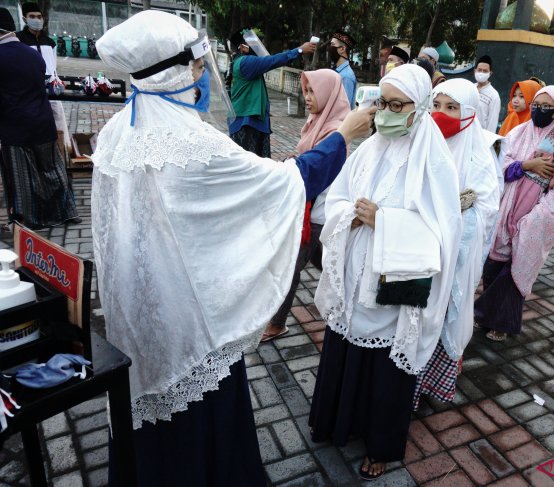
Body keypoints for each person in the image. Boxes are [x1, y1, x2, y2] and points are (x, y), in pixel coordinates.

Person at [92, 11, 374, 487]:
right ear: (175, 71)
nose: (203, 75)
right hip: (188, 312)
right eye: (198, 66)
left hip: (137, 300)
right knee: (198, 409)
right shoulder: (193, 140)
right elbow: (286, 186)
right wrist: (343, 137)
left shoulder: (118, 129)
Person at [309, 64, 461, 481]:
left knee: (385, 370)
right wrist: (349, 216)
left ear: (420, 107)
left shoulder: (434, 160)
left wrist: (385, 221)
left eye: (397, 105)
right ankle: (335, 424)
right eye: (382, 104)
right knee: (346, 349)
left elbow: (443, 233)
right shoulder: (369, 150)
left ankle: (381, 446)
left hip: (394, 290)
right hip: (356, 276)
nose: (386, 114)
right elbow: (334, 200)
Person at [412, 79, 500, 408]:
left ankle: (428, 384)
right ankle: (406, 384)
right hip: (418, 254)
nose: (441, 114)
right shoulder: (419, 143)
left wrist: (452, 215)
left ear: (470, 113)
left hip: (452, 262)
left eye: (451, 108)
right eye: (436, 105)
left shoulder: (479, 159)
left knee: (441, 316)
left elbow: (486, 212)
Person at [474, 86, 554, 341]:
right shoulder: (517, 132)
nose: (539, 111)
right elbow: (499, 167)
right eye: (537, 105)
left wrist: (539, 214)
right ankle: (486, 314)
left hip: (535, 211)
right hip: (507, 206)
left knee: (515, 269)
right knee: (494, 264)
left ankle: (502, 322)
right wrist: (527, 165)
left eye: (547, 107)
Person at [263, 69, 351, 342]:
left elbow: (319, 174)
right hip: (309, 210)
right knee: (327, 265)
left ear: (329, 93)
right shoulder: (317, 122)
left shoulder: (335, 130)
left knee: (291, 268)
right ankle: (349, 302)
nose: (308, 97)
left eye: (314, 91)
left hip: (317, 212)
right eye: (307, 91)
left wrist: (295, 168)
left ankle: (277, 323)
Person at [0, 11, 79, 229]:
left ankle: (28, 219)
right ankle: (66, 212)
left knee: (21, 177)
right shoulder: (32, 54)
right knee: (52, 169)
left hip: (14, 126)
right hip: (42, 120)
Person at [228, 31, 316, 157]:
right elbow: (273, 60)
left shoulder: (239, 62)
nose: (256, 46)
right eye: (251, 43)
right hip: (247, 125)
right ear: (242, 47)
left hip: (250, 122)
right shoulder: (246, 62)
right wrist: (299, 50)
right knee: (253, 168)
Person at [16, 3, 56, 77]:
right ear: (24, 19)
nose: (36, 20)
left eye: (39, 17)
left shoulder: (50, 42)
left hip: (48, 83)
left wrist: (55, 78)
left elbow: (53, 66)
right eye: (32, 16)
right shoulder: (18, 40)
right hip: (27, 83)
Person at [329, 31, 357, 109]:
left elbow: (343, 108)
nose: (330, 48)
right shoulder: (337, 71)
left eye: (332, 45)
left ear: (342, 49)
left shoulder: (346, 76)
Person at [474, 55, 500, 133]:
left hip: (480, 137)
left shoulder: (493, 96)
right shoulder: (470, 88)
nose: (481, 73)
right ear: (475, 71)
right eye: (479, 70)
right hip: (465, 134)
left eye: (485, 71)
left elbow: (492, 122)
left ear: (490, 73)